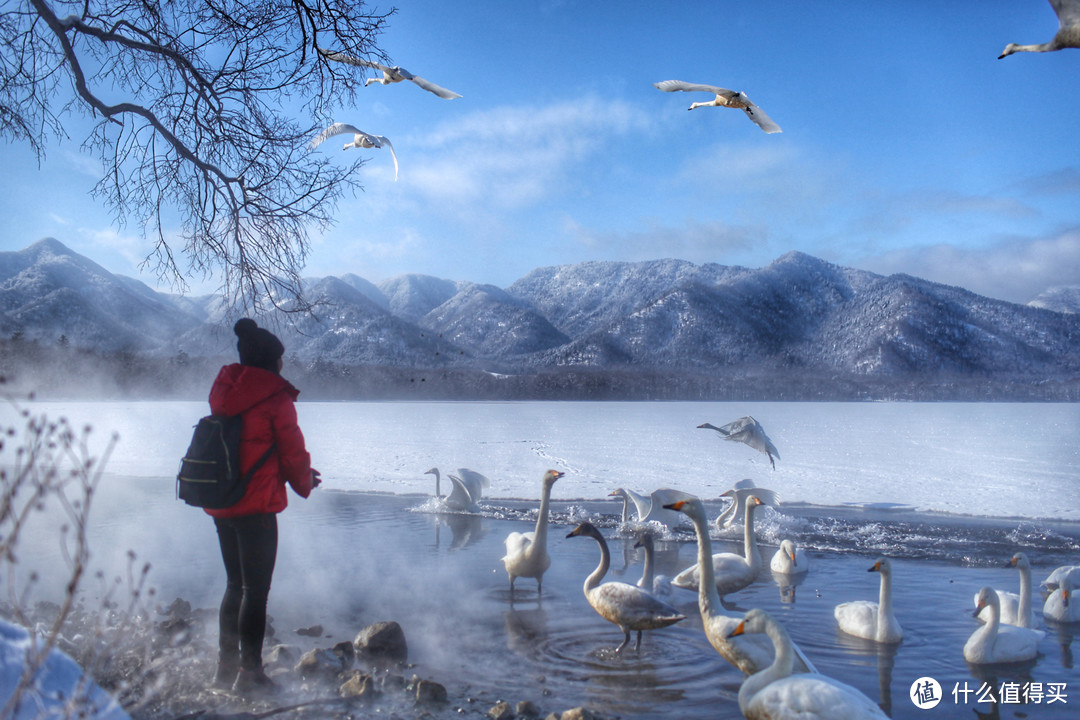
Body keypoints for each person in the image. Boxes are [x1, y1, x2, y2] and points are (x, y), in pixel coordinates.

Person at [205, 318, 320, 695]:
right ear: (271, 362)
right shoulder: (275, 398)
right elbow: (291, 450)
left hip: (223, 500)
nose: (284, 366)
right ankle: (251, 674)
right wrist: (305, 481)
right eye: (281, 360)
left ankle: (225, 670)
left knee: (234, 585)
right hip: (256, 505)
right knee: (256, 591)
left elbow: (249, 447)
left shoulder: (224, 391)